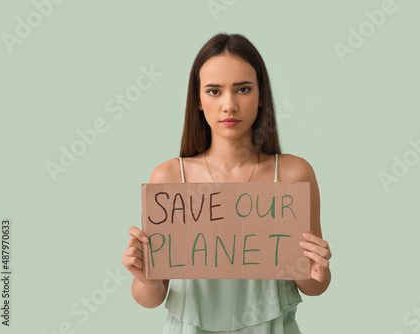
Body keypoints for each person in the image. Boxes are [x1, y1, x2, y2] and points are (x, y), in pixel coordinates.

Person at [122, 32, 332, 333]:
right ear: (198, 99)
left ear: (261, 95)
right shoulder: (169, 178)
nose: (229, 105)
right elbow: (152, 297)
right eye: (214, 91)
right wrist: (146, 277)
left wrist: (318, 270)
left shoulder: (293, 174)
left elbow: (313, 285)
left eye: (243, 89)